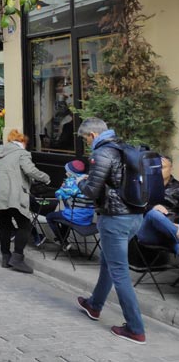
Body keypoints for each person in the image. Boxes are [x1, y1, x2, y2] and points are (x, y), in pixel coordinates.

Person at [76, 117, 148, 344]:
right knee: (109, 263)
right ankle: (94, 305)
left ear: (93, 135)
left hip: (115, 219)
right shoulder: (122, 148)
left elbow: (91, 192)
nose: (87, 143)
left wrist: (78, 182)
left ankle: (135, 328)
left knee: (119, 273)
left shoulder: (102, 153)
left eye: (86, 139)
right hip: (135, 216)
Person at [0, 129, 50, 274]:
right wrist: (46, 178)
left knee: (5, 225)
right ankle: (17, 257)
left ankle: (5, 257)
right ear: (21, 142)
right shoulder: (22, 153)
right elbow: (30, 170)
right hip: (12, 193)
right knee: (24, 224)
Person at [45, 159, 93, 248]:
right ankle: (63, 239)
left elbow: (59, 196)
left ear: (71, 172)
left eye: (67, 171)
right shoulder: (89, 181)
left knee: (50, 217)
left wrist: (61, 188)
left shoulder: (70, 182)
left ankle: (62, 240)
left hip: (74, 217)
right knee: (65, 215)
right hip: (87, 218)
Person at [136, 156, 179, 255]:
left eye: (162, 167)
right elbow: (134, 206)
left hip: (171, 234)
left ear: (171, 168)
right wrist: (151, 207)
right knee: (154, 213)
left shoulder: (177, 188)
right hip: (148, 232)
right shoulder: (143, 186)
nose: (158, 171)